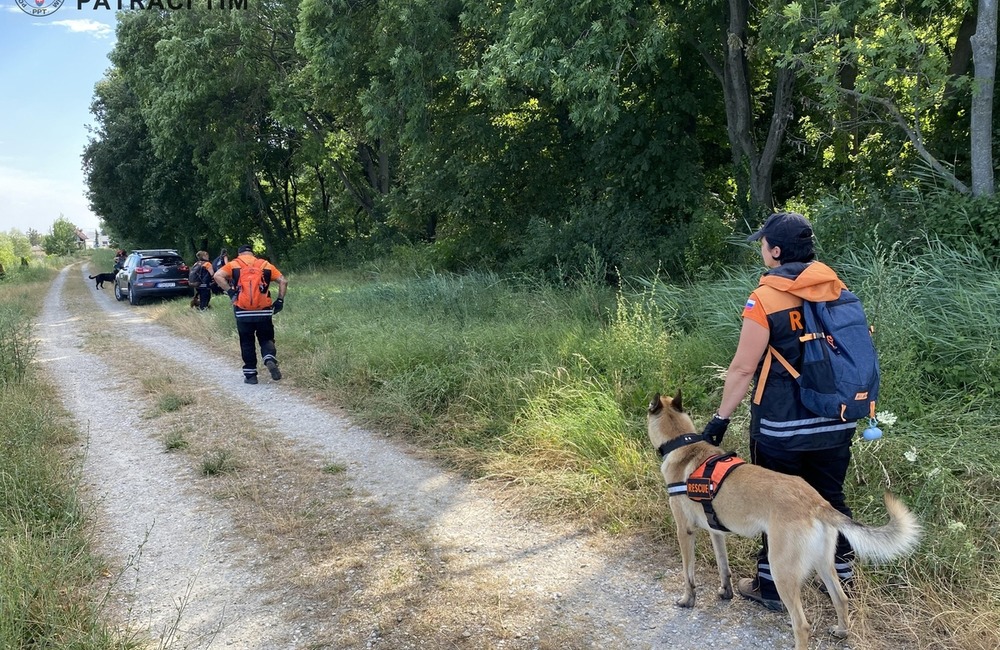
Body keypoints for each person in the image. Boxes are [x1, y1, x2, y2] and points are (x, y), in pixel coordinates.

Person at [701, 212, 859, 612]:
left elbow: (742, 368)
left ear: (775, 250)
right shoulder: (838, 290)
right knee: (829, 496)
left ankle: (771, 587)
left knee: (777, 505)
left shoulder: (765, 298)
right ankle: (840, 577)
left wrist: (720, 420)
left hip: (781, 424)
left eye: (763, 243)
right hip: (837, 417)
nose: (761, 249)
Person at [212, 244, 287, 384]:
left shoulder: (234, 264)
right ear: (252, 253)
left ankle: (251, 375)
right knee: (266, 338)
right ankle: (269, 358)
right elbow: (283, 280)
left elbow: (217, 276)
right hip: (264, 310)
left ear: (240, 254)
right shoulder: (264, 264)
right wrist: (280, 300)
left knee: (246, 342)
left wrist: (231, 292)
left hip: (242, 310)